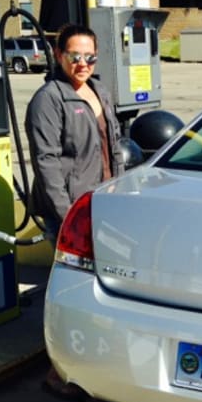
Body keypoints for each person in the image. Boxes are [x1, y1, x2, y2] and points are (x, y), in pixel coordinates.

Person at [25, 23, 125, 242]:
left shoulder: (100, 91)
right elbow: (46, 162)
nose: (83, 64)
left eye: (90, 57)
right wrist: (68, 215)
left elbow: (114, 146)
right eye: (75, 56)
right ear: (58, 54)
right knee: (77, 265)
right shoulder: (49, 99)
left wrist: (119, 189)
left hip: (102, 201)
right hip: (71, 210)